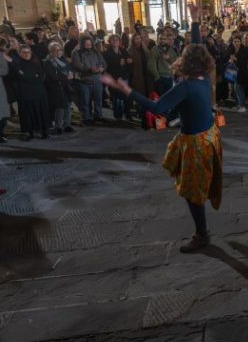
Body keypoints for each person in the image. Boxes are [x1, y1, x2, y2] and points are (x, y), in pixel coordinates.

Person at [101, 23, 221, 253]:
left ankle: (202, 234)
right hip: (208, 134)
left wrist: (128, 91)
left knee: (191, 190)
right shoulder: (204, 76)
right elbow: (197, 47)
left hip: (195, 143)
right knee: (197, 184)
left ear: (187, 61)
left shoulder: (185, 86)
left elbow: (157, 108)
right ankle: (202, 223)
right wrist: (195, 22)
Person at [13, 45, 50, 140]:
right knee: (27, 114)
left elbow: (41, 77)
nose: (26, 54)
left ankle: (43, 130)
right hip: (25, 93)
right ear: (20, 53)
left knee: (41, 112)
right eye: (24, 52)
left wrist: (28, 77)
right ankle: (29, 132)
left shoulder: (36, 64)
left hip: (39, 92)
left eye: (28, 52)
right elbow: (21, 77)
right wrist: (33, 77)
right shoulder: (17, 65)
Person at [72, 35, 106, 125]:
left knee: (98, 100)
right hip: (84, 81)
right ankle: (86, 117)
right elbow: (77, 65)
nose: (88, 46)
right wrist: (89, 69)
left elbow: (104, 63)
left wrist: (102, 68)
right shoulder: (76, 53)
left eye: (90, 44)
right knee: (85, 101)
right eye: (86, 44)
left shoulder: (96, 52)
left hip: (97, 80)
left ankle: (98, 115)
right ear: (82, 44)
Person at [44, 42, 74, 134]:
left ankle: (67, 124)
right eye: (55, 50)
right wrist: (65, 77)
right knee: (60, 107)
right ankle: (58, 126)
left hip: (66, 86)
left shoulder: (64, 60)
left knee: (68, 105)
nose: (58, 52)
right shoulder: (48, 62)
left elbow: (69, 70)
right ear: (51, 52)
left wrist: (70, 74)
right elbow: (52, 76)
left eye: (60, 50)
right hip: (56, 87)